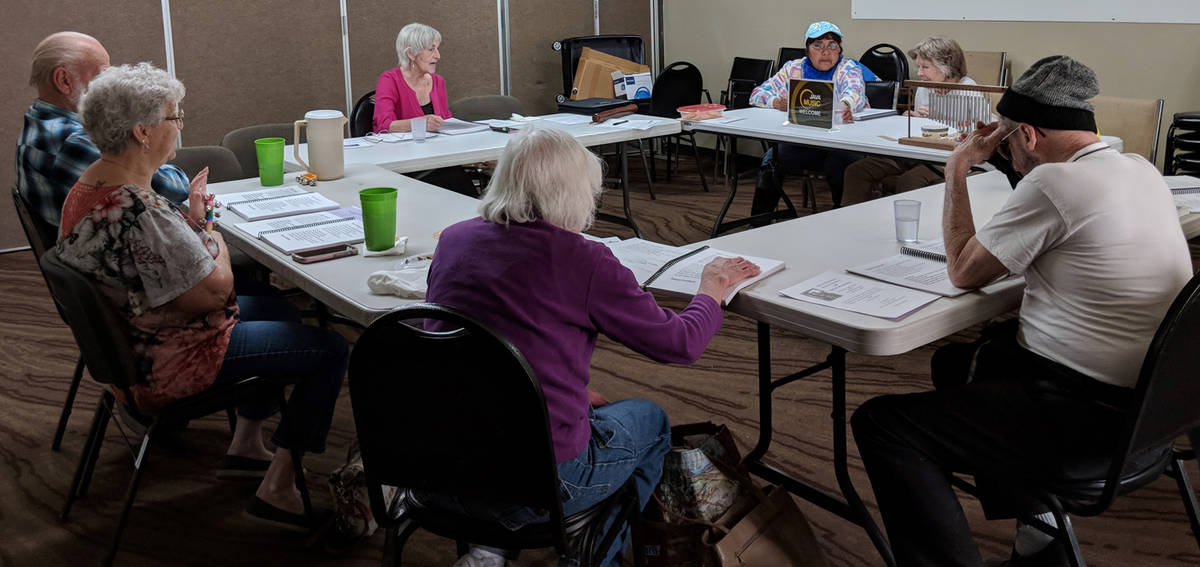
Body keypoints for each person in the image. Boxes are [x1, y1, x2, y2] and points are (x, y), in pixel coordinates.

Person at [851, 56, 1192, 567]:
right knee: (963, 363)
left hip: (1089, 418)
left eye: (1008, 143)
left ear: (1029, 136)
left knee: (882, 425)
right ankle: (1039, 534)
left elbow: (964, 272)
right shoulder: (1139, 168)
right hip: (1159, 409)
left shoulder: (1055, 184)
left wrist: (957, 167)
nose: (1006, 154)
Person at [424, 125, 762, 567]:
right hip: (538, 478)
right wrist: (710, 289)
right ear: (576, 192)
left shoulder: (453, 239)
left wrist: (566, 390)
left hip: (435, 465)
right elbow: (679, 344)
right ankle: (590, 558)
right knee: (651, 420)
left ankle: (489, 549)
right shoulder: (582, 260)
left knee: (571, 411)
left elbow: (480, 341)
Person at [56, 63, 349, 530]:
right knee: (330, 350)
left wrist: (189, 226)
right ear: (143, 132)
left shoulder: (91, 185)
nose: (181, 126)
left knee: (274, 307)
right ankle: (279, 487)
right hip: (167, 360)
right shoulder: (138, 208)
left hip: (135, 340)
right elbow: (216, 293)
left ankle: (246, 443)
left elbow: (160, 265)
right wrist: (210, 235)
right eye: (175, 116)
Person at [16, 31, 189, 228]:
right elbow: (171, 188)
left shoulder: (39, 119)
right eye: (104, 74)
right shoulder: (70, 141)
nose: (112, 85)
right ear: (64, 80)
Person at [749, 21, 874, 218]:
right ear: (807, 50)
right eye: (818, 45)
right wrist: (775, 102)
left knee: (840, 165)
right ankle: (758, 220)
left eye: (832, 45)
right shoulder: (793, 69)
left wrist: (846, 105)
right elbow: (757, 94)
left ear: (839, 49)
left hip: (842, 143)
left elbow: (855, 92)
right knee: (772, 159)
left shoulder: (847, 67)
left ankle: (842, 219)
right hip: (805, 142)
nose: (826, 52)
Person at [842, 37, 979, 204]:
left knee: (909, 181)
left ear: (947, 67)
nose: (919, 73)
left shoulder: (969, 90)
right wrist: (914, 120)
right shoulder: (924, 88)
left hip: (949, 158)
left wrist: (942, 120)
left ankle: (906, 227)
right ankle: (853, 224)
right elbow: (923, 127)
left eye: (925, 67)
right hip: (917, 153)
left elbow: (978, 133)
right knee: (857, 171)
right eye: (918, 67)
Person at [373, 22, 475, 197]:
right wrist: (421, 123)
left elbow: (445, 122)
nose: (438, 55)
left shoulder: (438, 81)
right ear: (411, 53)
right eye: (431, 49)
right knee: (454, 180)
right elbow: (384, 125)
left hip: (439, 157)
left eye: (437, 49)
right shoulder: (389, 80)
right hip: (409, 164)